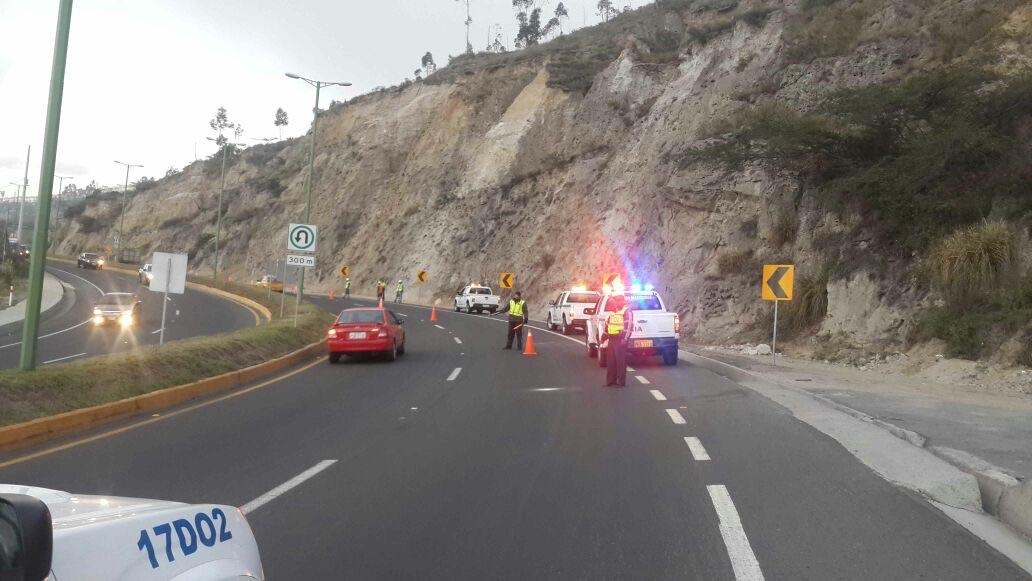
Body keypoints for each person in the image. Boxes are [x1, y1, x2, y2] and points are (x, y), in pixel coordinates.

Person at [603, 295, 629, 387]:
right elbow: (608, 324)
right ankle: (610, 381)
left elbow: (628, 325)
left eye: (617, 301)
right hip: (611, 339)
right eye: (614, 302)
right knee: (610, 361)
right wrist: (604, 335)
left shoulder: (626, 311)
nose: (615, 304)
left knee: (620, 362)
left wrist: (625, 338)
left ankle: (621, 381)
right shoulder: (613, 312)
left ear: (622, 302)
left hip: (620, 339)